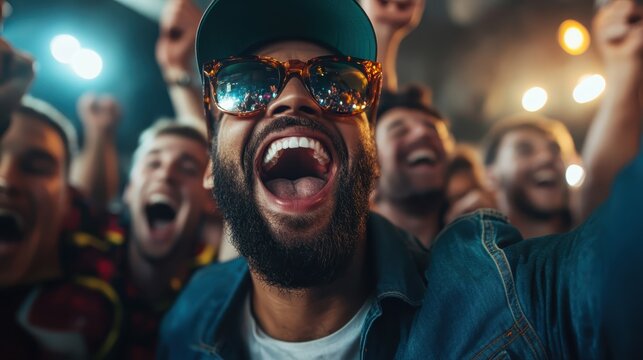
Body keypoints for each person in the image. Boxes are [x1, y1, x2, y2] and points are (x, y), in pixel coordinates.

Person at [160, 0, 643, 358]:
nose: (294, 100)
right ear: (210, 165)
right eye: (243, 83)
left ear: (370, 158)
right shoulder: (190, 316)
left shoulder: (495, 294)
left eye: (338, 83)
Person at [0, 97, 118, 358]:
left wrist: (98, 132)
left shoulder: (91, 304)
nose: (5, 179)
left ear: (69, 199)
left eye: (37, 167)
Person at [105, 120, 216, 358]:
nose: (166, 175)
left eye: (188, 169)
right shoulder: (82, 254)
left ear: (210, 201)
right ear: (129, 190)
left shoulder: (216, 287)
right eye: (153, 163)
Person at [372, 84, 454, 247]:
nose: (422, 132)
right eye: (399, 130)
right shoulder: (349, 257)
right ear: (371, 161)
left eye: (433, 128)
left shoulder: (484, 242)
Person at [482, 114, 578, 239]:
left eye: (555, 150)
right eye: (525, 151)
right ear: (491, 176)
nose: (547, 157)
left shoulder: (600, 238)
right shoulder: (470, 253)